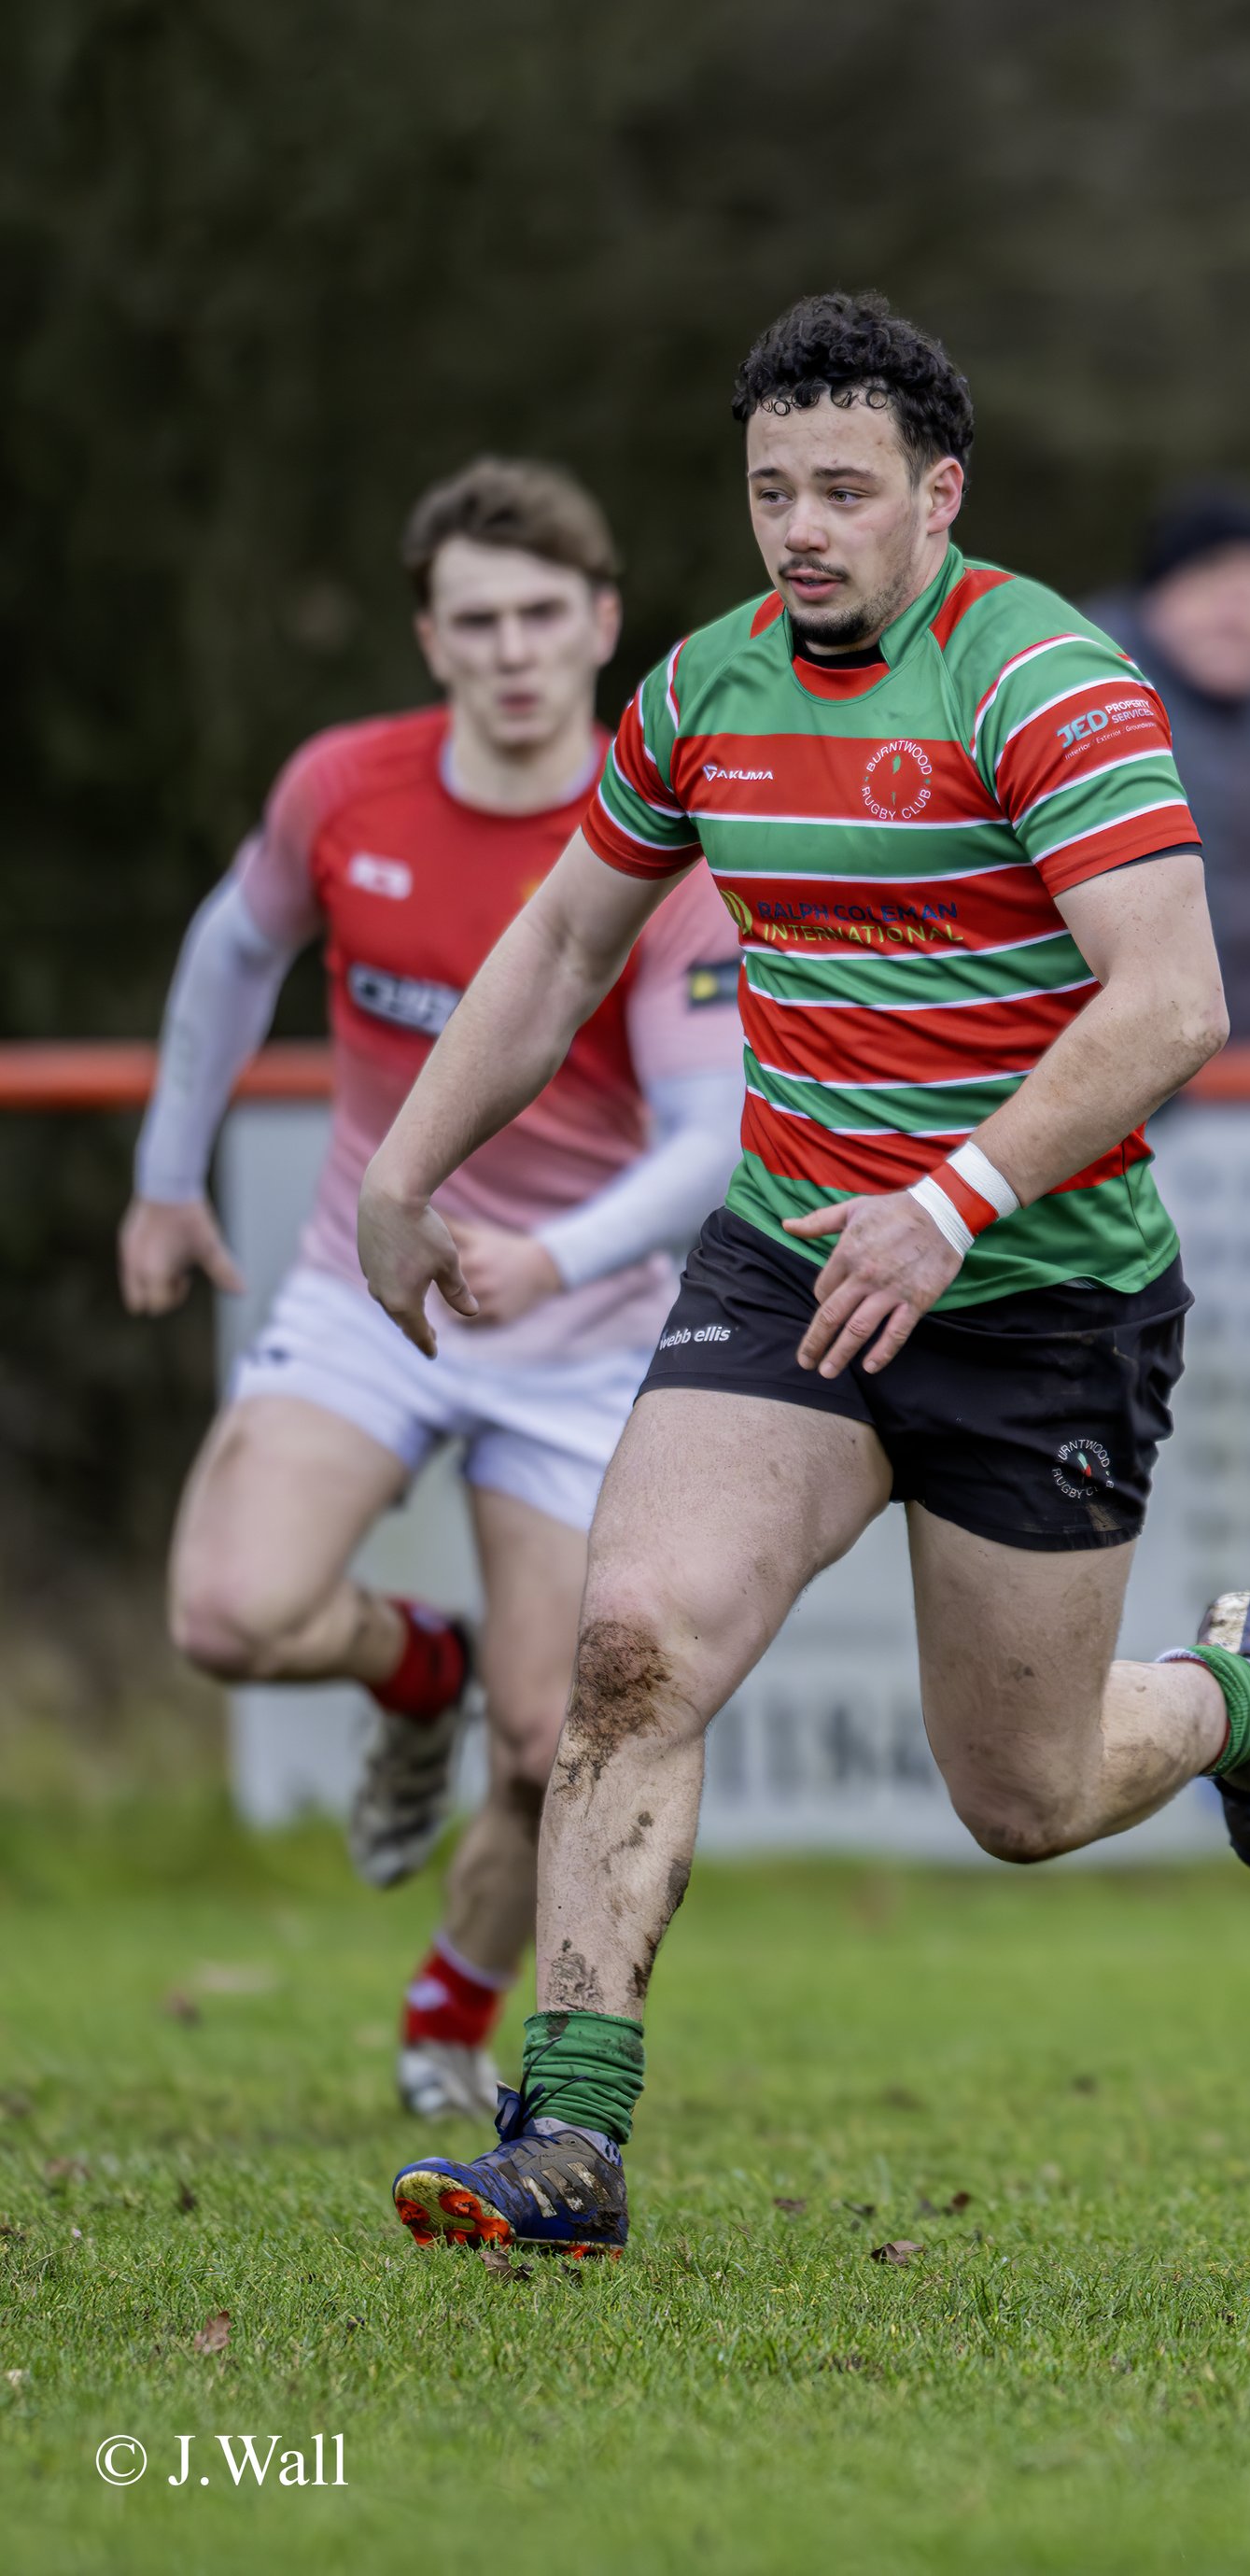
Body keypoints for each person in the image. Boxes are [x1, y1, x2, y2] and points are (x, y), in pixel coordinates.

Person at [363, 293, 1250, 2258]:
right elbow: (557, 950)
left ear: (935, 496)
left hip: (1036, 1296)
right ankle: (568, 2134)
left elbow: (1175, 998)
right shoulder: (706, 688)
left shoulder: (1045, 683)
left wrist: (956, 1198)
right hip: (792, 1268)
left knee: (1023, 1793)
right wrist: (402, 1168)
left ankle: (1235, 1691)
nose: (799, 527)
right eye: (768, 491)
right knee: (628, 1638)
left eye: (841, 491)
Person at [120, 458, 744, 2122]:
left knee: (554, 1745)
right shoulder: (346, 789)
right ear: (430, 636)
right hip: (359, 1280)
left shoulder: (664, 841)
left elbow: (707, 1131)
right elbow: (229, 946)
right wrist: (169, 1174)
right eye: (478, 619)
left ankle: (449, 2005)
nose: (516, 649)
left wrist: (557, 1252)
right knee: (227, 1614)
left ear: (604, 623)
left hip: (577, 1324)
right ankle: (417, 1669)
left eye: (546, 613)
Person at [1088, 489, 1250, 1036]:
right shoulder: (1078, 692)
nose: (1240, 616)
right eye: (1212, 587)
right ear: (1156, 595)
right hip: (1094, 1056)